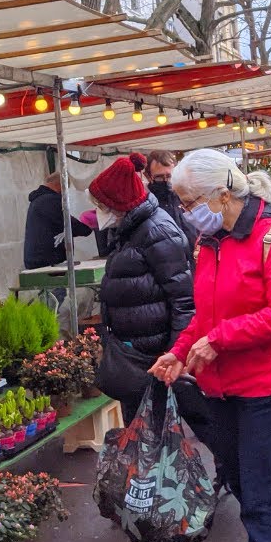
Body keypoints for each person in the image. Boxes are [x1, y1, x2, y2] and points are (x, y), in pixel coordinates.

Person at [150, 149, 271, 542]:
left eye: (189, 202)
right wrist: (180, 351)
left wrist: (218, 340)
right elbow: (206, 314)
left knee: (258, 501)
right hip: (219, 389)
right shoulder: (209, 242)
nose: (184, 212)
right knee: (244, 489)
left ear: (222, 195)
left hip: (266, 388)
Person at [89, 153, 196, 426]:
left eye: (101, 204)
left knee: (154, 429)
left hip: (154, 356)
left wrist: (175, 355)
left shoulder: (157, 231)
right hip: (137, 352)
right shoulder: (130, 229)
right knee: (141, 430)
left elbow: (184, 300)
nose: (98, 210)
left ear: (118, 203)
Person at [22, 173, 91, 270]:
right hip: (47, 261)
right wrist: (88, 226)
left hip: (37, 259)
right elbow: (68, 223)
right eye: (66, 188)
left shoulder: (38, 200)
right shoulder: (51, 200)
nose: (65, 192)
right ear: (60, 185)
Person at [145, 149, 199, 247]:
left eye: (170, 176)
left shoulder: (186, 197)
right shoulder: (145, 204)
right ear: (148, 176)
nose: (166, 181)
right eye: (159, 177)